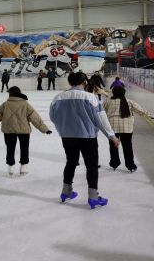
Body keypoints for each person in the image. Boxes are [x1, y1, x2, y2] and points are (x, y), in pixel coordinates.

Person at [49, 72, 121, 209]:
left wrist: (63, 129)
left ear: (70, 82)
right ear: (84, 82)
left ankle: (66, 191)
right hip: (87, 137)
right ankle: (93, 196)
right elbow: (101, 119)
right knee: (91, 166)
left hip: (67, 137)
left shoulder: (58, 98)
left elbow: (53, 117)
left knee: (70, 162)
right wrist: (111, 136)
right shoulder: (91, 98)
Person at [0, 86, 51, 176]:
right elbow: (35, 117)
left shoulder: (5, 104)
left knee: (10, 148)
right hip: (24, 131)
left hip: (8, 130)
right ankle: (24, 167)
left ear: (10, 94)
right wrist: (45, 129)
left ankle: (11, 167)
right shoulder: (25, 104)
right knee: (24, 148)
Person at [104, 86, 154, 172]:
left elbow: (101, 112)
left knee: (113, 146)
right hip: (127, 128)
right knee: (127, 147)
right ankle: (130, 166)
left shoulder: (108, 101)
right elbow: (141, 111)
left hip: (112, 127)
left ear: (113, 92)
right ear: (124, 93)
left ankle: (114, 163)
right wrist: (152, 116)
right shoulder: (129, 101)